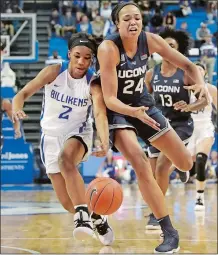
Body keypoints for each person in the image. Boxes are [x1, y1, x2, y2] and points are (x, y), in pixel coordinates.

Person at [94, 2, 209, 253]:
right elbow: (110, 98)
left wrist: (200, 83)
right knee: (140, 162)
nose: (133, 22)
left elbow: (189, 66)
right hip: (119, 112)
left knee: (185, 163)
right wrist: (133, 113)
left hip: (144, 106)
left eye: (137, 17)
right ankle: (169, 232)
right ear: (117, 23)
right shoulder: (108, 49)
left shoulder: (152, 40)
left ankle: (183, 167)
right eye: (127, 19)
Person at [12, 32, 114, 245]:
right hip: (49, 137)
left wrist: (104, 140)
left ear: (92, 60)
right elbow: (21, 94)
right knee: (68, 202)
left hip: (78, 133)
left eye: (87, 58)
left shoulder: (93, 83)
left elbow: (99, 113)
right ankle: (96, 216)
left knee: (66, 160)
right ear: (69, 54)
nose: (81, 61)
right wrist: (16, 108)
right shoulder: (53, 72)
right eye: (77, 55)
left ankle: (83, 218)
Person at [144, 28, 207, 230]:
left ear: (178, 51)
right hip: (158, 125)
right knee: (155, 174)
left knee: (162, 166)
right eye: (165, 45)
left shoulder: (186, 74)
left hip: (180, 125)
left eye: (172, 46)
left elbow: (205, 101)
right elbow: (146, 99)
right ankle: (182, 168)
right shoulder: (151, 75)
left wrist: (190, 106)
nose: (167, 49)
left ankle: (157, 215)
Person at [174, 62, 217, 211]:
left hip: (205, 127)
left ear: (204, 73)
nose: (197, 71)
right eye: (195, 69)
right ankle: (184, 169)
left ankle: (199, 196)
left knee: (200, 160)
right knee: (184, 162)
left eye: (200, 70)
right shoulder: (184, 89)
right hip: (189, 128)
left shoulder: (211, 89)